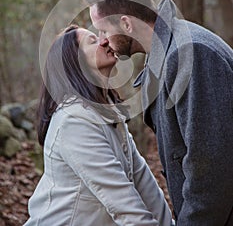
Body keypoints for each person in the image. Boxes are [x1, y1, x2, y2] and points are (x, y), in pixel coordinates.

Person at [85, 0, 233, 225]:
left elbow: (209, 168)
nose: (103, 41)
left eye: (103, 30)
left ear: (126, 24)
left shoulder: (189, 53)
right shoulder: (170, 53)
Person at [24, 24, 174, 226]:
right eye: (92, 41)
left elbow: (142, 180)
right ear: (74, 63)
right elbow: (122, 202)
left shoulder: (107, 111)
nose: (105, 40)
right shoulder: (74, 121)